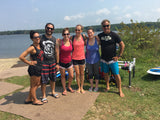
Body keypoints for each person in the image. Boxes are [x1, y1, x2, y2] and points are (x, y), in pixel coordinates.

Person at [98, 19, 125, 97]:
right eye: (104, 26)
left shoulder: (114, 35)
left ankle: (120, 90)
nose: (106, 27)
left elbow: (122, 45)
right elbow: (93, 39)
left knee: (116, 74)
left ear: (109, 26)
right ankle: (107, 86)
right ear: (102, 27)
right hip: (103, 59)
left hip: (113, 60)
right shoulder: (100, 35)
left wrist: (119, 56)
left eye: (107, 25)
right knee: (105, 74)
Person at [19, 30, 44, 105]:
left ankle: (29, 98)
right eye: (35, 37)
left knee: (38, 83)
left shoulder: (39, 45)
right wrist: (30, 63)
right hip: (34, 69)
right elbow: (21, 57)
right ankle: (35, 100)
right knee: (34, 85)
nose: (38, 38)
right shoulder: (32, 48)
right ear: (32, 39)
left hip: (39, 68)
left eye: (39, 37)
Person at [40, 23, 60, 103]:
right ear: (45, 28)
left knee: (53, 78)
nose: (49, 30)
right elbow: (35, 48)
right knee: (44, 80)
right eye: (48, 28)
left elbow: (57, 52)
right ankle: (44, 95)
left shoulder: (54, 39)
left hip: (52, 62)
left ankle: (53, 91)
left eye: (51, 29)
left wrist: (57, 63)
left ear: (53, 30)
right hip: (43, 63)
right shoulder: (41, 38)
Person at [56, 28, 74, 96]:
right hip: (62, 62)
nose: (66, 35)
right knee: (63, 76)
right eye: (64, 34)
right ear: (62, 35)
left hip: (69, 61)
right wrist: (57, 63)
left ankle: (69, 86)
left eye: (67, 34)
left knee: (71, 76)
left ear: (69, 34)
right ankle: (64, 89)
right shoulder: (60, 42)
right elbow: (57, 52)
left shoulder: (71, 41)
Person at [71, 24, 86, 93]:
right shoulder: (72, 37)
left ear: (81, 31)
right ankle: (78, 87)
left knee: (82, 73)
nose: (77, 31)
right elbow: (65, 40)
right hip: (74, 58)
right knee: (77, 73)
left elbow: (90, 39)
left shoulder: (83, 36)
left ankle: (82, 87)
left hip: (82, 57)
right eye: (76, 30)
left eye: (79, 30)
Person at [86, 28, 100, 92]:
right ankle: (91, 86)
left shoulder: (97, 40)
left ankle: (96, 86)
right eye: (88, 33)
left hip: (96, 60)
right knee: (90, 74)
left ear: (93, 33)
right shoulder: (86, 40)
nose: (90, 34)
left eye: (91, 32)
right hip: (88, 60)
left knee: (96, 73)